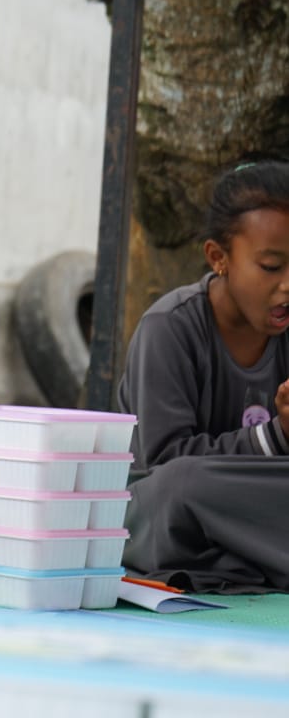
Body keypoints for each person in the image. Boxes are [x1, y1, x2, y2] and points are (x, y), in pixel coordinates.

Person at [120, 159, 289, 592]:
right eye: (272, 267)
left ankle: (247, 561)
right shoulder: (169, 328)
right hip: (171, 510)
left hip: (260, 507)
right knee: (183, 486)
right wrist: (277, 436)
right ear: (219, 258)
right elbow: (164, 461)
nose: (288, 284)